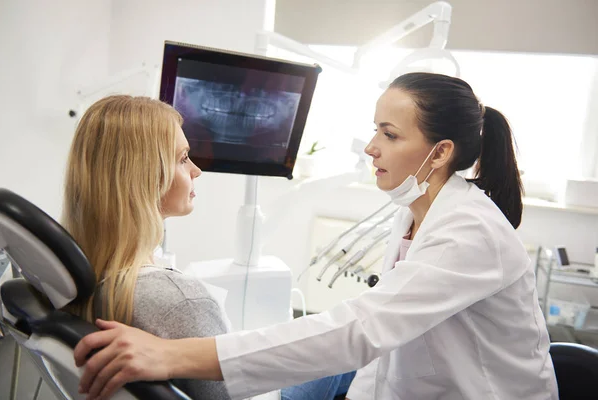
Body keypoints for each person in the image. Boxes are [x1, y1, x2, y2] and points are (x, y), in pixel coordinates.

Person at [74, 73, 558, 400]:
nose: (370, 147)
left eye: (389, 135)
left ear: (441, 152)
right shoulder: (412, 214)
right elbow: (377, 351)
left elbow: (362, 330)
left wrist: (169, 354)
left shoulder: (471, 231)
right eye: (375, 131)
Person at [62, 95, 353, 400]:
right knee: (340, 350)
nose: (196, 170)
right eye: (183, 158)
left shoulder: (83, 271)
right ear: (144, 177)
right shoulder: (178, 299)